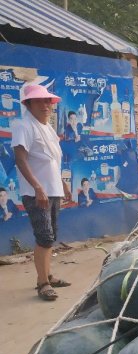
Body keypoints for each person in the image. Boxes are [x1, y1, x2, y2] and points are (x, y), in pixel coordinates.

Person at [11, 84, 72, 301]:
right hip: (36, 193)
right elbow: (20, 159)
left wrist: (63, 184)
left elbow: (53, 161)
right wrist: (37, 187)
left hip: (52, 190)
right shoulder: (24, 126)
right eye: (38, 101)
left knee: (51, 235)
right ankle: (42, 283)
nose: (45, 105)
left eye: (47, 101)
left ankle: (48, 275)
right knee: (44, 236)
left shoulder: (47, 128)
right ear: (28, 104)